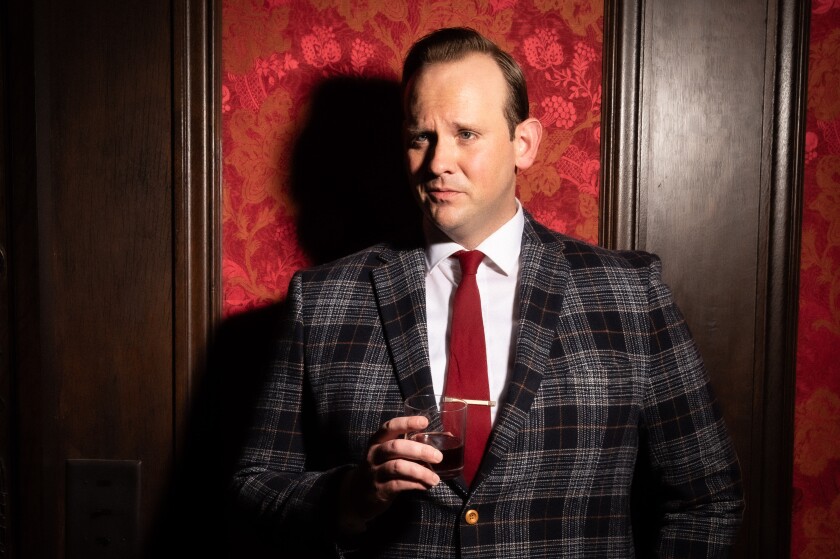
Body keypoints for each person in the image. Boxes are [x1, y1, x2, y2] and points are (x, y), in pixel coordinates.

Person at [231, 27, 744, 558]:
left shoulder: (630, 294)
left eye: (466, 134)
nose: (436, 163)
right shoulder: (322, 301)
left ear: (523, 143)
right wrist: (350, 496)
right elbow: (255, 485)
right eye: (419, 137)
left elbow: (706, 499)